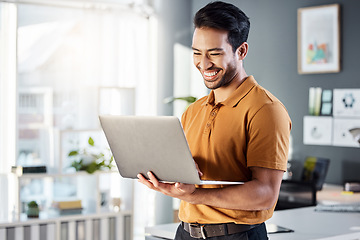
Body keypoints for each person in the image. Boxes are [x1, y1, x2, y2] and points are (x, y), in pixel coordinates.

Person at [138, 1, 292, 239]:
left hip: (237, 235)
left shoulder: (265, 109)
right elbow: (195, 178)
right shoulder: (194, 110)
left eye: (215, 53)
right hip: (186, 232)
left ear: (241, 51)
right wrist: (170, 176)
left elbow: (265, 193)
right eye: (197, 53)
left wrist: (193, 195)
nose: (204, 63)